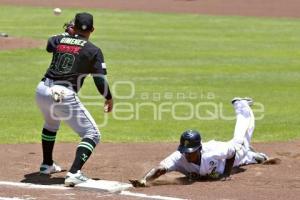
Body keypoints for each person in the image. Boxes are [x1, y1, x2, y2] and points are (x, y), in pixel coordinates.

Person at [35, 12, 113, 187]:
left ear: (74, 27)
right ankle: (74, 172)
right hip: (63, 94)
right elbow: (99, 80)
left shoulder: (59, 40)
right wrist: (108, 98)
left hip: (42, 90)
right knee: (92, 134)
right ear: (92, 29)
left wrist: (67, 35)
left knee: (51, 124)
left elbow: (49, 44)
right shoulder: (93, 50)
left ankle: (47, 165)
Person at [130, 97, 270, 187]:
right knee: (246, 156)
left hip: (232, 155)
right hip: (219, 166)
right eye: (185, 152)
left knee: (240, 143)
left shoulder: (213, 150)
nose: (188, 155)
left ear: (199, 148)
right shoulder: (179, 157)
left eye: (191, 152)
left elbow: (231, 153)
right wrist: (144, 180)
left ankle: (242, 106)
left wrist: (226, 174)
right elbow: (160, 169)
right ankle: (253, 156)